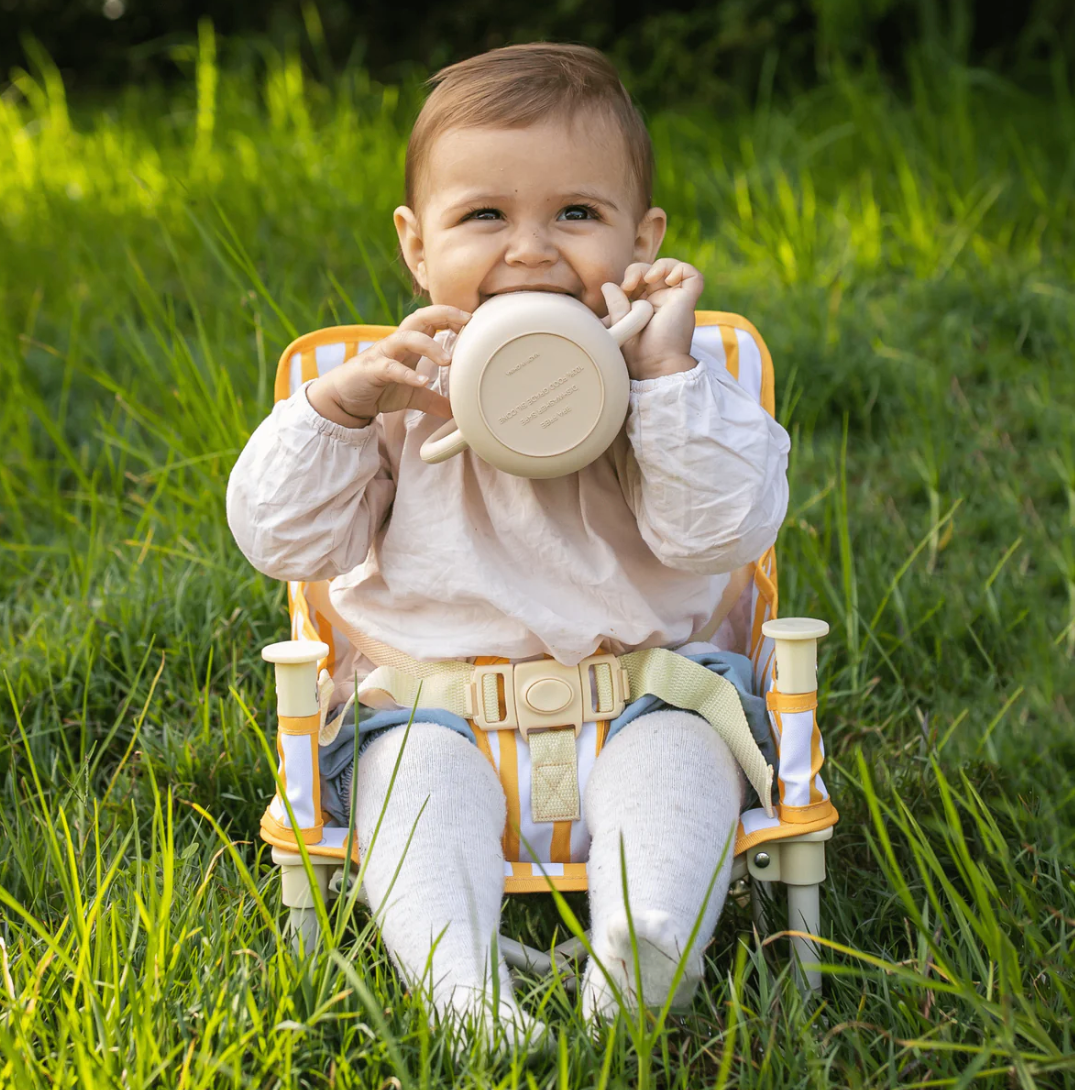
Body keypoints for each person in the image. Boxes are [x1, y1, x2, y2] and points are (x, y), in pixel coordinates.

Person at [227, 42, 790, 1048]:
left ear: (641, 238)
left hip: (642, 698)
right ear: (415, 246)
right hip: (433, 719)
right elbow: (279, 540)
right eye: (483, 215)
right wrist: (339, 410)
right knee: (408, 788)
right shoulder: (388, 392)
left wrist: (658, 382)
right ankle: (457, 983)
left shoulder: (683, 378)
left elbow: (725, 528)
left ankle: (645, 947)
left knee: (684, 760)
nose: (529, 250)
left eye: (575, 214)